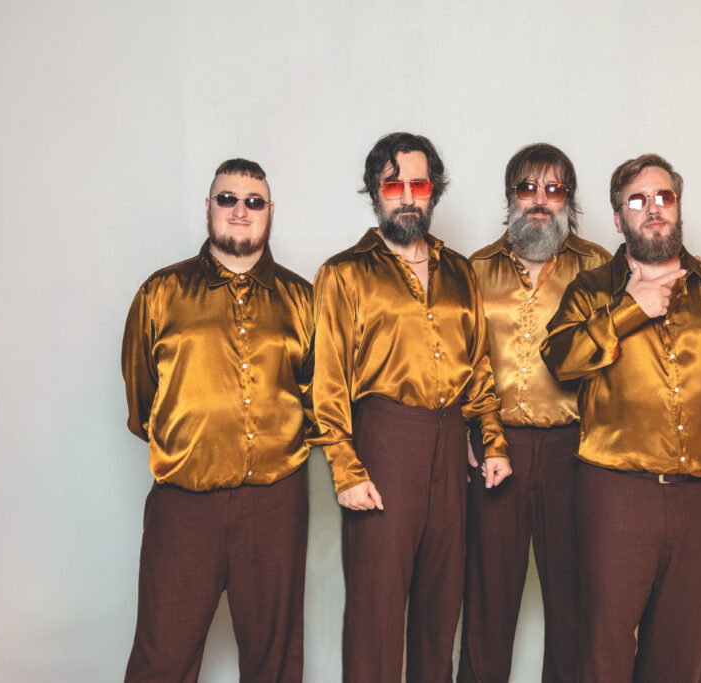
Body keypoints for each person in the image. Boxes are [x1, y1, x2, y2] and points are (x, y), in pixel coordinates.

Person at [540, 153, 701, 682]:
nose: (653, 208)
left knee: (682, 647)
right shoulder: (592, 290)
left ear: (677, 207)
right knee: (603, 643)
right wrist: (630, 309)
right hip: (614, 494)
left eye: (663, 197)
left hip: (697, 494)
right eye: (637, 200)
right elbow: (559, 359)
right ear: (618, 216)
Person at [311, 132, 511, 682]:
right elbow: (327, 384)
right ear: (375, 192)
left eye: (418, 185)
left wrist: (492, 442)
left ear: (433, 192)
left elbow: (478, 367)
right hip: (384, 443)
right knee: (376, 613)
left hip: (450, 447)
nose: (406, 197)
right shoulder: (343, 273)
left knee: (440, 607)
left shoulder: (460, 271)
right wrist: (347, 471)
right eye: (392, 185)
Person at [121, 158, 313, 682]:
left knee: (274, 662)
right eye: (227, 199)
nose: (240, 210)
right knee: (162, 659)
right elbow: (142, 402)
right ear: (208, 207)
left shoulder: (302, 299)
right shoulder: (160, 292)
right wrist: (195, 443)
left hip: (276, 506)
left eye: (253, 202)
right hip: (184, 505)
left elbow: (318, 396)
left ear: (270, 211)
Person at [458, 143, 611, 683]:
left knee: (573, 601)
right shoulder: (474, 269)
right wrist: (473, 433)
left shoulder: (599, 266)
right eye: (527, 188)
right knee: (488, 597)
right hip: (496, 449)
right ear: (510, 197)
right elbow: (464, 361)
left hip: (575, 449)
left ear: (569, 199)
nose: (539, 200)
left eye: (553, 189)